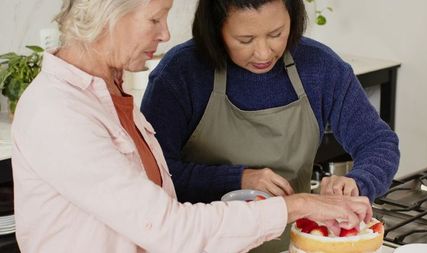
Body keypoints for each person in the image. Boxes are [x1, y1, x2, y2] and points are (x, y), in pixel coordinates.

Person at [11, 0, 373, 252]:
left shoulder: (109, 95)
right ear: (110, 14)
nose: (166, 33)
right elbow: (168, 228)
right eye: (155, 19)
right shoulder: (57, 115)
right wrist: (296, 206)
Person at [141, 0, 399, 250]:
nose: (264, 53)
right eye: (245, 40)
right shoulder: (181, 73)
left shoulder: (319, 67)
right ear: (215, 28)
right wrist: (238, 179)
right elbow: (153, 177)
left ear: (293, 18)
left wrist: (357, 182)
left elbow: (379, 142)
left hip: (291, 244)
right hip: (203, 245)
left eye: (276, 34)